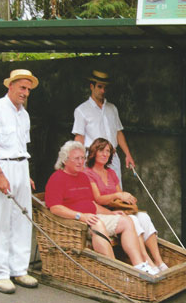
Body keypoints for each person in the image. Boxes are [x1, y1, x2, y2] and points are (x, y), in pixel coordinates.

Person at [45, 141, 159, 275]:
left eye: (83, 158)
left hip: (92, 216)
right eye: (77, 158)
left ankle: (140, 266)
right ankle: (115, 271)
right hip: (75, 222)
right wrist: (80, 216)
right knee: (97, 223)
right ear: (65, 160)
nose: (81, 161)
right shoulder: (57, 178)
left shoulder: (82, 177)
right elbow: (55, 208)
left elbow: (92, 204)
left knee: (126, 220)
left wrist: (111, 213)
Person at [0, 69, 39, 293]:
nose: (25, 93)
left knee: (22, 219)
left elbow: (22, 147)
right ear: (10, 86)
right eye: (22, 87)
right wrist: (0, 175)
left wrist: (26, 174)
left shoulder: (24, 114)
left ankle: (20, 269)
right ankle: (1, 273)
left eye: (28, 89)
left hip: (21, 167)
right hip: (1, 167)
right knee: (1, 221)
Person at [84, 138, 168, 272]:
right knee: (133, 219)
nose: (105, 154)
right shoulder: (88, 173)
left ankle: (159, 262)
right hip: (102, 212)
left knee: (143, 217)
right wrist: (118, 196)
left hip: (116, 209)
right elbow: (97, 199)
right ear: (94, 152)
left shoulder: (111, 173)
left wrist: (127, 199)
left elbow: (120, 196)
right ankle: (146, 260)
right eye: (101, 150)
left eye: (108, 151)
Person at [72, 70, 135, 187]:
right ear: (92, 86)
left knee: (116, 191)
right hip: (92, 158)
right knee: (95, 192)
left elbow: (118, 133)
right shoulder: (81, 110)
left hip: (112, 156)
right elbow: (79, 137)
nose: (103, 91)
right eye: (100, 87)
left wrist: (128, 154)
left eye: (105, 88)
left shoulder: (112, 108)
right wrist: (78, 159)